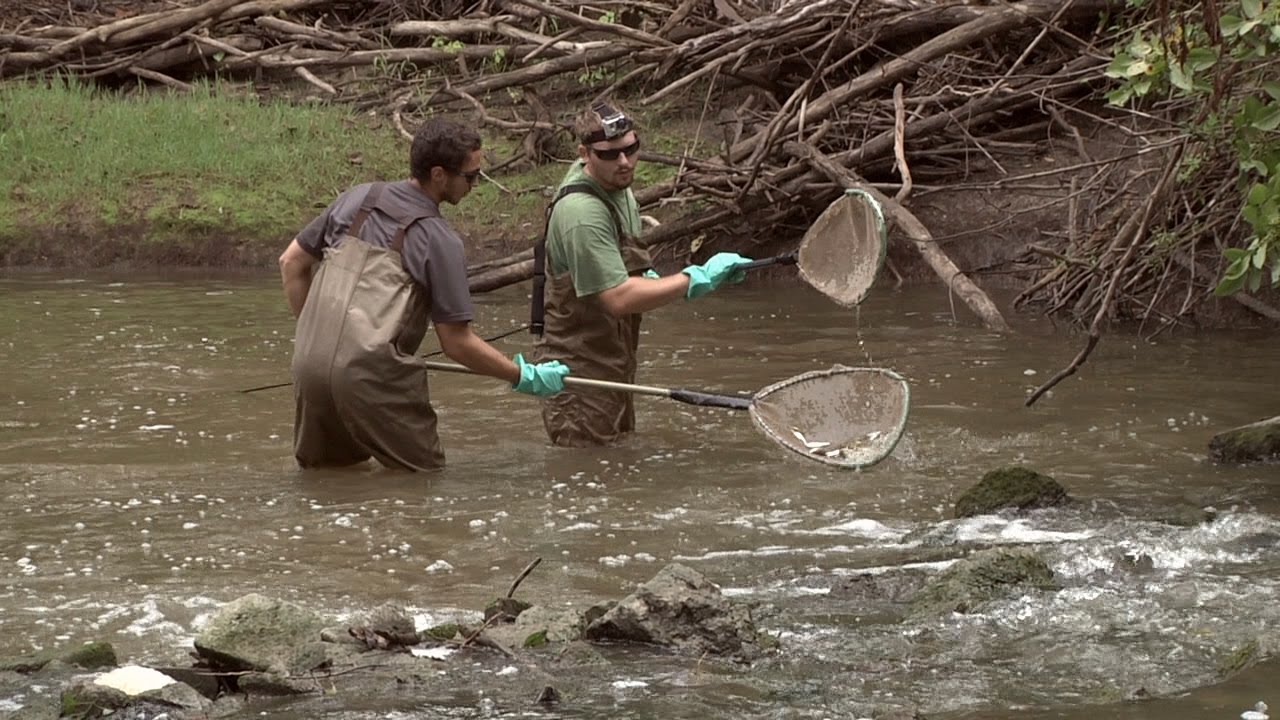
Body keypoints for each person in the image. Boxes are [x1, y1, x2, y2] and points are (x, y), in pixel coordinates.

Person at [277, 118, 570, 472]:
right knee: (421, 483)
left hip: (308, 365)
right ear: (439, 175)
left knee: (330, 481)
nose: (475, 185)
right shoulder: (438, 240)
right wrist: (522, 376)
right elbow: (457, 343)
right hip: (372, 378)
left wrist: (321, 340)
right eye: (471, 176)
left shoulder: (357, 197)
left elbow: (291, 262)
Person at [529, 100, 752, 447]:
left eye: (631, 149)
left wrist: (652, 279)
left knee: (617, 459)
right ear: (584, 153)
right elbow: (617, 298)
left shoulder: (618, 186)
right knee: (587, 471)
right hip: (580, 373)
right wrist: (693, 278)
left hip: (614, 358)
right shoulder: (581, 213)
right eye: (610, 154)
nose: (624, 162)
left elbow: (627, 269)